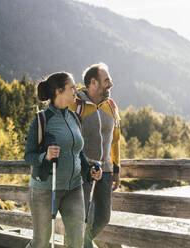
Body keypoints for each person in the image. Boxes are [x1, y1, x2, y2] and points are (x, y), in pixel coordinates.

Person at [24, 72, 102, 248]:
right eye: (72, 88)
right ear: (59, 91)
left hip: (74, 188)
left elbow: (77, 152)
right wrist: (46, 156)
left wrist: (90, 169)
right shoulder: (42, 120)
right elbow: (28, 156)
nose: (76, 91)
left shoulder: (74, 118)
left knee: (77, 241)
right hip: (45, 189)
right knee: (41, 242)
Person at [69, 63, 121, 248]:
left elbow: (115, 140)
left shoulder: (112, 106)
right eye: (106, 80)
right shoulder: (76, 104)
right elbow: (70, 138)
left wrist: (116, 169)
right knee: (80, 217)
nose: (111, 84)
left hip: (105, 171)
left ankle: (83, 241)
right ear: (93, 83)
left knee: (104, 217)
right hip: (81, 171)